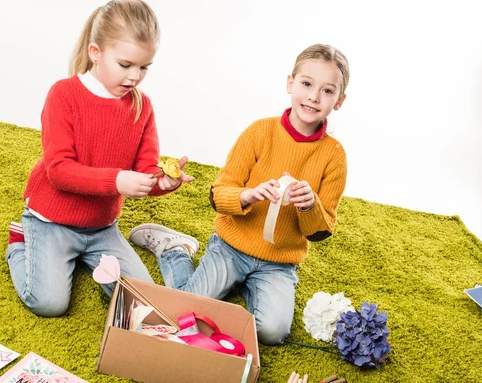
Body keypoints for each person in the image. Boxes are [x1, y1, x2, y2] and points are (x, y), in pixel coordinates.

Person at [129, 44, 349, 345]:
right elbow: (218, 195)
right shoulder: (259, 132)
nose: (313, 96)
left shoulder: (334, 156)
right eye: (307, 84)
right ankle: (175, 251)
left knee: (273, 332)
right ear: (290, 83)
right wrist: (249, 195)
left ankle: (241, 286)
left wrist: (310, 206)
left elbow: (322, 231)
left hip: (278, 263)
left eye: (327, 91)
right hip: (231, 246)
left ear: (339, 101)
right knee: (185, 313)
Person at [5, 0, 193, 317]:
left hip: (101, 227)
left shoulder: (141, 106)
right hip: (52, 222)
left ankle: (74, 256)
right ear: (96, 52)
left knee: (142, 304)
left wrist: (164, 181)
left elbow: (146, 170)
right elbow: (59, 171)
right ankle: (21, 242)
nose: (135, 76)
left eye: (144, 67)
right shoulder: (64, 95)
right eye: (125, 65)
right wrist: (117, 180)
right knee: (49, 303)